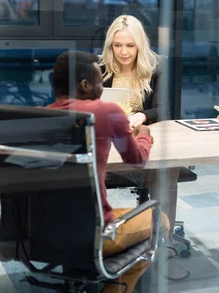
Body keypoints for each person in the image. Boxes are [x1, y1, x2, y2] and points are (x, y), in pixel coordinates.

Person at [47, 51, 169, 293]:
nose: (102, 86)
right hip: (95, 234)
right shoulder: (106, 112)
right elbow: (137, 159)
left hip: (41, 234)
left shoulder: (40, 116)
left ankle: (80, 276)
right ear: (85, 85)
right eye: (99, 81)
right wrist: (144, 134)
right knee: (161, 220)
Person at [100, 15, 181, 270]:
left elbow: (163, 109)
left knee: (167, 167)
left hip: (141, 141)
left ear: (140, 45)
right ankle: (103, 237)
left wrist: (141, 115)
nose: (124, 52)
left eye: (130, 45)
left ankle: (162, 238)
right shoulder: (101, 69)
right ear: (110, 46)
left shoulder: (156, 67)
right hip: (109, 146)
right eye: (117, 45)